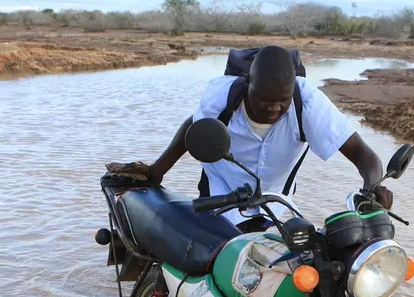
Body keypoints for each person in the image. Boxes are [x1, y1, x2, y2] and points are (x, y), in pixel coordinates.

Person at [147, 45, 393, 232]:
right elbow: (193, 127)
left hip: (277, 204)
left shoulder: (306, 102)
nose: (274, 108)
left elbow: (363, 154)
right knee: (208, 269)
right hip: (220, 196)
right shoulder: (221, 97)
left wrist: (372, 188)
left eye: (282, 100)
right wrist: (156, 171)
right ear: (248, 83)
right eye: (265, 99)